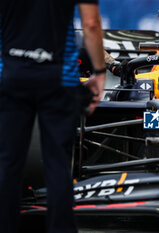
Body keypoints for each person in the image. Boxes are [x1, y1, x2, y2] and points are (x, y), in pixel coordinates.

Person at [0, 1, 106, 233]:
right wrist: (99, 72)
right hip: (57, 78)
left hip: (11, 73)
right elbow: (90, 24)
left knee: (7, 163)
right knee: (57, 164)